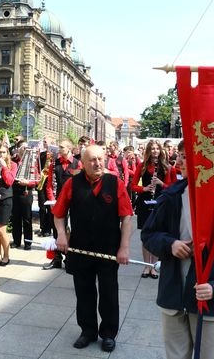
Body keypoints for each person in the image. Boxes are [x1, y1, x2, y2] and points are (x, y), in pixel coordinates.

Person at [141, 140, 214, 359]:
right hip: (173, 296)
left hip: (211, 302)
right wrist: (170, 244)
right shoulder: (171, 196)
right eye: (180, 155)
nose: (179, 161)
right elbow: (149, 234)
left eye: (186, 156)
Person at [53, 144, 133, 352]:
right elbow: (59, 214)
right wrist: (61, 235)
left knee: (109, 292)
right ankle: (87, 331)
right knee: (84, 292)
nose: (98, 163)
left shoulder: (115, 183)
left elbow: (126, 218)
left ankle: (108, 334)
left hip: (109, 248)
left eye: (100, 159)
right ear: (83, 163)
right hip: (80, 248)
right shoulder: (72, 184)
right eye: (92, 160)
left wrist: (124, 248)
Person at [131, 139, 177, 278]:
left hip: (160, 203)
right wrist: (144, 188)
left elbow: (172, 188)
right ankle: (146, 266)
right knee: (145, 235)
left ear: (161, 150)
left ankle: (154, 267)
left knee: (157, 235)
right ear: (148, 151)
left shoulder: (167, 167)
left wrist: (161, 183)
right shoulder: (142, 166)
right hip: (145, 202)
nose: (155, 151)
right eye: (152, 149)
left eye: (157, 148)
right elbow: (133, 186)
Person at [43, 139, 82, 270]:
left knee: (72, 229)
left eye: (62, 147)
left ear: (69, 148)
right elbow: (49, 183)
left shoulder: (78, 164)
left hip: (74, 201)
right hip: (58, 200)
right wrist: (52, 200)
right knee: (56, 230)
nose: (59, 149)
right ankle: (57, 258)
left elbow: (82, 183)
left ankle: (71, 259)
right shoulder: (55, 164)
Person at [0, 142, 17, 266]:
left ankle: (6, 256)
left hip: (5, 199)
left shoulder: (13, 165)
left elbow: (10, 181)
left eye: (4, 152)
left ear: (8, 153)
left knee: (1, 230)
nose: (1, 154)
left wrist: (5, 167)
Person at [10, 140, 38, 250]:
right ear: (17, 149)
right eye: (22, 147)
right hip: (14, 191)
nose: (24, 149)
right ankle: (16, 241)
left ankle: (28, 242)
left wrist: (28, 183)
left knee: (27, 218)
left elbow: (37, 180)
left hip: (26, 192)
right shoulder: (13, 161)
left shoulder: (32, 162)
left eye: (26, 147)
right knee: (15, 218)